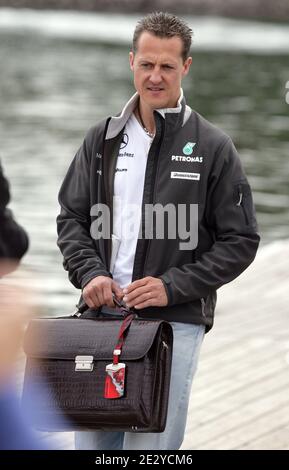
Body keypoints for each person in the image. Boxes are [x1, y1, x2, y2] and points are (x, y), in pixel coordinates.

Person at [57, 12, 260, 450]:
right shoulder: (102, 139)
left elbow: (241, 240)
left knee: (151, 452)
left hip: (175, 324)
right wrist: (90, 274)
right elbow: (71, 218)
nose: (155, 76)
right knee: (93, 449)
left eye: (167, 66)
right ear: (132, 61)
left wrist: (171, 287)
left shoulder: (212, 146)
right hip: (101, 319)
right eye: (146, 64)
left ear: (186, 67)